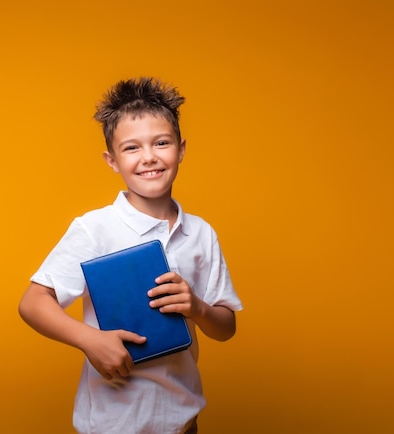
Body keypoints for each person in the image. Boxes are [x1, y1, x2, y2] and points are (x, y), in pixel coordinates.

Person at [18, 77, 243, 434]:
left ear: (181, 150)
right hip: (110, 424)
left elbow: (225, 327)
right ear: (112, 160)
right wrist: (89, 340)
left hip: (182, 421)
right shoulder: (94, 229)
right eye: (132, 148)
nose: (149, 157)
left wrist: (197, 307)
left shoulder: (201, 233)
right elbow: (33, 302)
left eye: (162, 143)